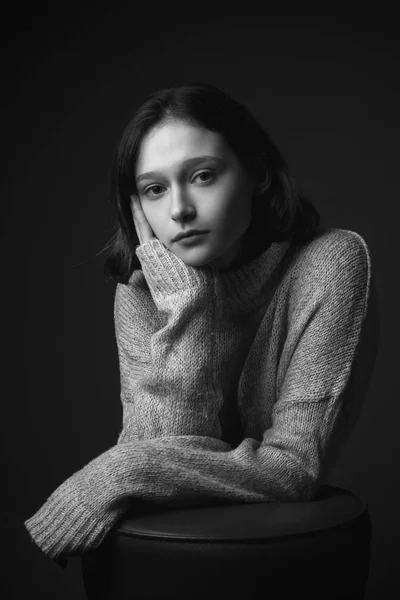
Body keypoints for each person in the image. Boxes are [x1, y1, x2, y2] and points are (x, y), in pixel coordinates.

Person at [24, 82, 377, 569]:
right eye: (154, 189)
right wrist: (187, 303)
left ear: (255, 172)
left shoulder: (330, 264)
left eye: (204, 175)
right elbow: (162, 445)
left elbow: (292, 471)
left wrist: (117, 471)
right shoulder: (142, 289)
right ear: (137, 207)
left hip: (276, 559)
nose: (179, 210)